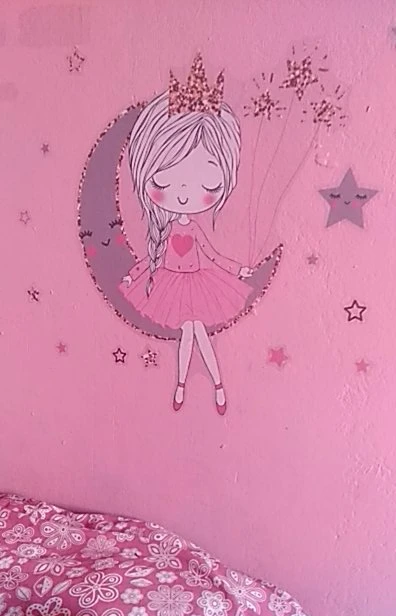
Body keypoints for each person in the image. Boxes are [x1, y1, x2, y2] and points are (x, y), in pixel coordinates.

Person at [120, 54, 253, 415]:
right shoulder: (165, 229)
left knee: (192, 331)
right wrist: (133, 274)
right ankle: (209, 385)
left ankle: (190, 385)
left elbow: (211, 254)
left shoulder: (191, 228)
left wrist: (237, 270)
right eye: (163, 182)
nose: (182, 196)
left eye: (207, 184)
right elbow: (153, 257)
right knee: (192, 331)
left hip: (197, 283)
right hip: (173, 283)